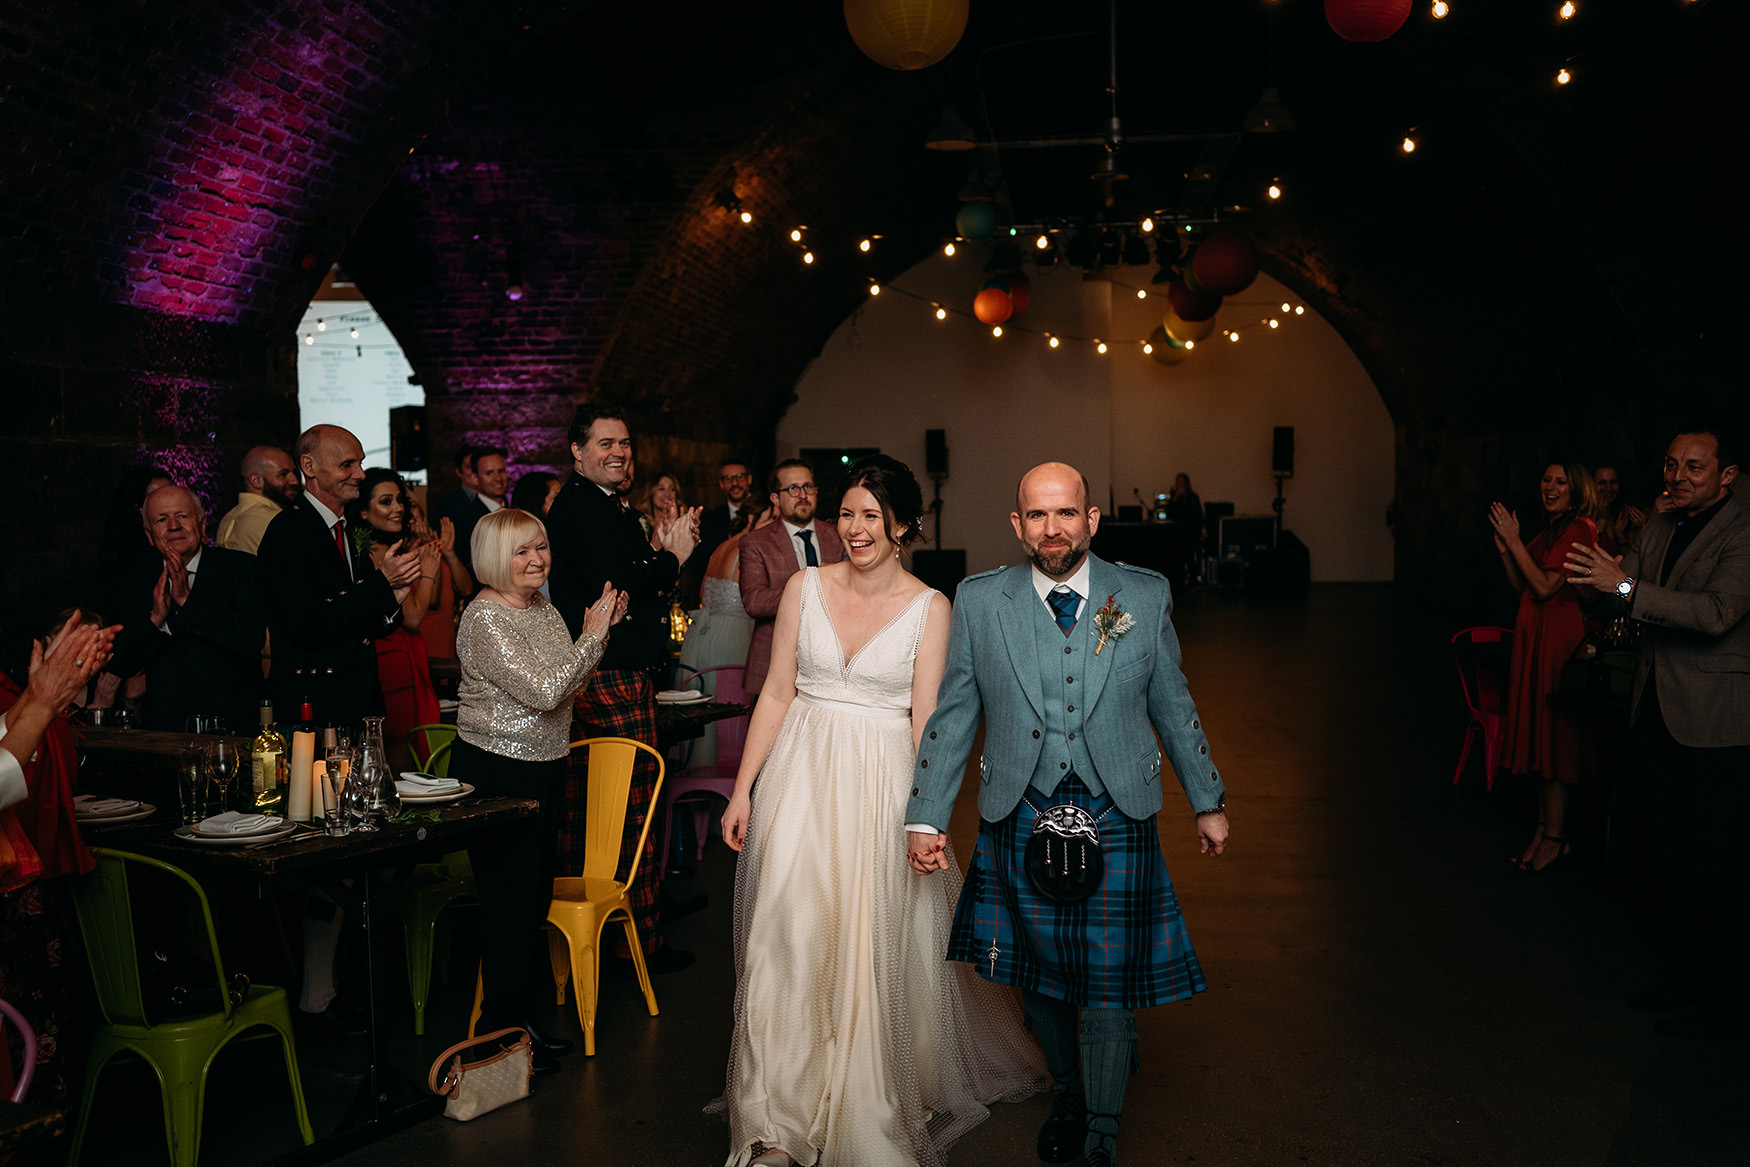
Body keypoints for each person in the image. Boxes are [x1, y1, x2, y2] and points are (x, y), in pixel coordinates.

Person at [716, 455, 1044, 1167]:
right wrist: (744, 788)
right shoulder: (804, 586)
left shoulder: (932, 607)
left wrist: (927, 816)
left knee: (870, 939)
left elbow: (932, 722)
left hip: (882, 785)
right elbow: (776, 692)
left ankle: (867, 1092)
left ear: (902, 525)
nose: (855, 528)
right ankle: (777, 1115)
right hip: (800, 779)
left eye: (871, 515)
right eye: (847, 513)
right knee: (788, 933)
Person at [907, 461, 1230, 1167]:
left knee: (1108, 980)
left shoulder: (1142, 593)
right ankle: (1072, 1093)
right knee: (1040, 974)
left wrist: (1207, 798)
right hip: (1020, 808)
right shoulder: (981, 601)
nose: (1053, 527)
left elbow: (1172, 703)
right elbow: (955, 715)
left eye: (1066, 513)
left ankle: (1104, 1127)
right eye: (1037, 515)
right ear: (1017, 525)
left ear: (1091, 519)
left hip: (1117, 806)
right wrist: (926, 814)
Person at [1566, 427, 1750, 1039]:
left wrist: (1620, 585)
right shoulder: (1665, 521)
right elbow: (1625, 591)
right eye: (1671, 465)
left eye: (1695, 468)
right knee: (1666, 854)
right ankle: (1688, 978)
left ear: (1726, 475)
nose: (1677, 477)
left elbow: (1713, 613)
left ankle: (1730, 1002)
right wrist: (1596, 583)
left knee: (1716, 862)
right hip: (1655, 710)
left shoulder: (1744, 527)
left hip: (1716, 719)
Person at [455, 508, 624, 1073]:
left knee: (530, 901)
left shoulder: (544, 608)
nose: (537, 560)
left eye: (541, 548)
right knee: (508, 904)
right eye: (522, 552)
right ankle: (493, 1037)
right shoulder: (484, 619)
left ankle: (515, 1025)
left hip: (545, 762)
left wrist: (591, 635)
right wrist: (594, 635)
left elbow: (566, 679)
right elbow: (550, 690)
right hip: (497, 769)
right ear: (493, 559)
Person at [546, 403, 700, 970]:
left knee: (616, 814)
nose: (619, 452)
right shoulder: (582, 510)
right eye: (606, 443)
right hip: (606, 679)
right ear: (577, 452)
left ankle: (620, 943)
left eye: (625, 443)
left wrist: (658, 561)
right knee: (629, 815)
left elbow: (636, 587)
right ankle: (635, 950)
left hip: (617, 675)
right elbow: (623, 582)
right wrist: (671, 557)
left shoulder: (605, 506)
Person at [256, 425, 422, 727]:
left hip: (358, 702)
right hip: (314, 706)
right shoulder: (288, 532)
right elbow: (305, 626)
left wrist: (393, 599)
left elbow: (362, 623)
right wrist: (380, 586)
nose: (360, 474)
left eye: (360, 463)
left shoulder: (348, 530)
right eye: (347, 465)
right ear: (310, 467)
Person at [1486, 457, 1600, 872]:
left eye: (1560, 482)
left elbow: (1547, 587)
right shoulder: (1553, 529)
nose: (1550, 487)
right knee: (1539, 738)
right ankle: (1543, 831)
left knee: (1554, 741)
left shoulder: (1579, 528)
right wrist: (1506, 551)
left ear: (1576, 490)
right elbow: (1524, 585)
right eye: (1546, 479)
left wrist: (1515, 542)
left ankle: (1556, 838)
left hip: (1557, 642)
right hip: (1535, 639)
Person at [107, 485, 266, 734]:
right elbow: (120, 662)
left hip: (230, 729)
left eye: (182, 516)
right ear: (150, 535)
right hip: (163, 732)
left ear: (202, 526)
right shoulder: (133, 578)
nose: (173, 526)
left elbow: (249, 641)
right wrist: (155, 620)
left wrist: (185, 600)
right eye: (162, 519)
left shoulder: (241, 568)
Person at [345, 468, 445, 771]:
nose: (398, 508)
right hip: (393, 659)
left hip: (384, 657)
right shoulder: (380, 552)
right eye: (386, 502)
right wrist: (427, 569)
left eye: (399, 500)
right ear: (363, 511)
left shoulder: (361, 548)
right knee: (400, 752)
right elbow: (412, 617)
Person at [738, 459, 845, 695]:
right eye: (793, 489)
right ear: (775, 498)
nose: (803, 495)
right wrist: (813, 584)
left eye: (808, 487)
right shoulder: (756, 542)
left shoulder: (838, 535)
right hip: (774, 665)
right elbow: (754, 601)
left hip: (831, 667)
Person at [216, 445, 302, 555]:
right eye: (283, 474)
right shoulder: (277, 521)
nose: (294, 481)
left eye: (294, 473)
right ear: (256, 480)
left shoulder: (228, 519)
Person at [1592, 463, 1648, 558]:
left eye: (1613, 482)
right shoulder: (1584, 516)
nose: (1608, 488)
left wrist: (1621, 536)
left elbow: (1630, 562)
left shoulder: (1625, 514)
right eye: (1602, 483)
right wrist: (1602, 521)